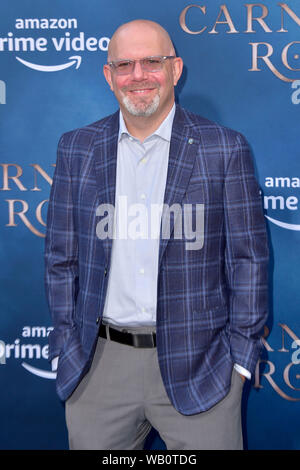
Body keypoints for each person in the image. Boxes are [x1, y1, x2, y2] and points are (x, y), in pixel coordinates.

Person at [44, 19, 269, 450]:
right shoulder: (76, 148)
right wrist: (64, 344)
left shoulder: (224, 147)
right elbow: (60, 257)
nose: (139, 75)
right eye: (124, 64)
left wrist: (240, 359)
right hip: (98, 367)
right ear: (109, 76)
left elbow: (249, 260)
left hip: (202, 366)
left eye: (152, 61)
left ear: (176, 69)